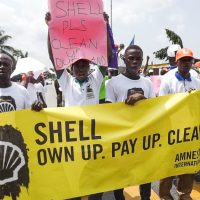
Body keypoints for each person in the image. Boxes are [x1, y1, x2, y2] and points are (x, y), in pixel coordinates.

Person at [46, 11, 111, 200]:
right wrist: (50, 29)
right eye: (77, 65)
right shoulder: (66, 81)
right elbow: (54, 58)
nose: (81, 68)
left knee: (94, 179)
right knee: (72, 180)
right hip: (71, 137)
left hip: (92, 136)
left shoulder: (96, 79)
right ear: (71, 68)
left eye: (84, 65)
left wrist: (105, 26)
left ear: (90, 66)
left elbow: (106, 56)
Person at [106, 45, 155, 200]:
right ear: (124, 60)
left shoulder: (147, 83)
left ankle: (145, 197)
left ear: (142, 60)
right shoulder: (113, 83)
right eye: (131, 58)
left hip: (142, 136)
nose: (135, 61)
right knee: (119, 174)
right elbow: (108, 112)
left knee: (145, 173)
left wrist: (142, 99)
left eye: (138, 58)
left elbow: (154, 109)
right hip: (122, 137)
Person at [159, 48, 200, 200]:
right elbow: (161, 105)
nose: (186, 63)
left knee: (187, 163)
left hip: (190, 131)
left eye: (189, 60)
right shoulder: (168, 79)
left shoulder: (196, 80)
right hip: (171, 130)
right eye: (182, 60)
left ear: (192, 62)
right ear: (177, 62)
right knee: (168, 165)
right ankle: (165, 195)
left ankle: (185, 193)